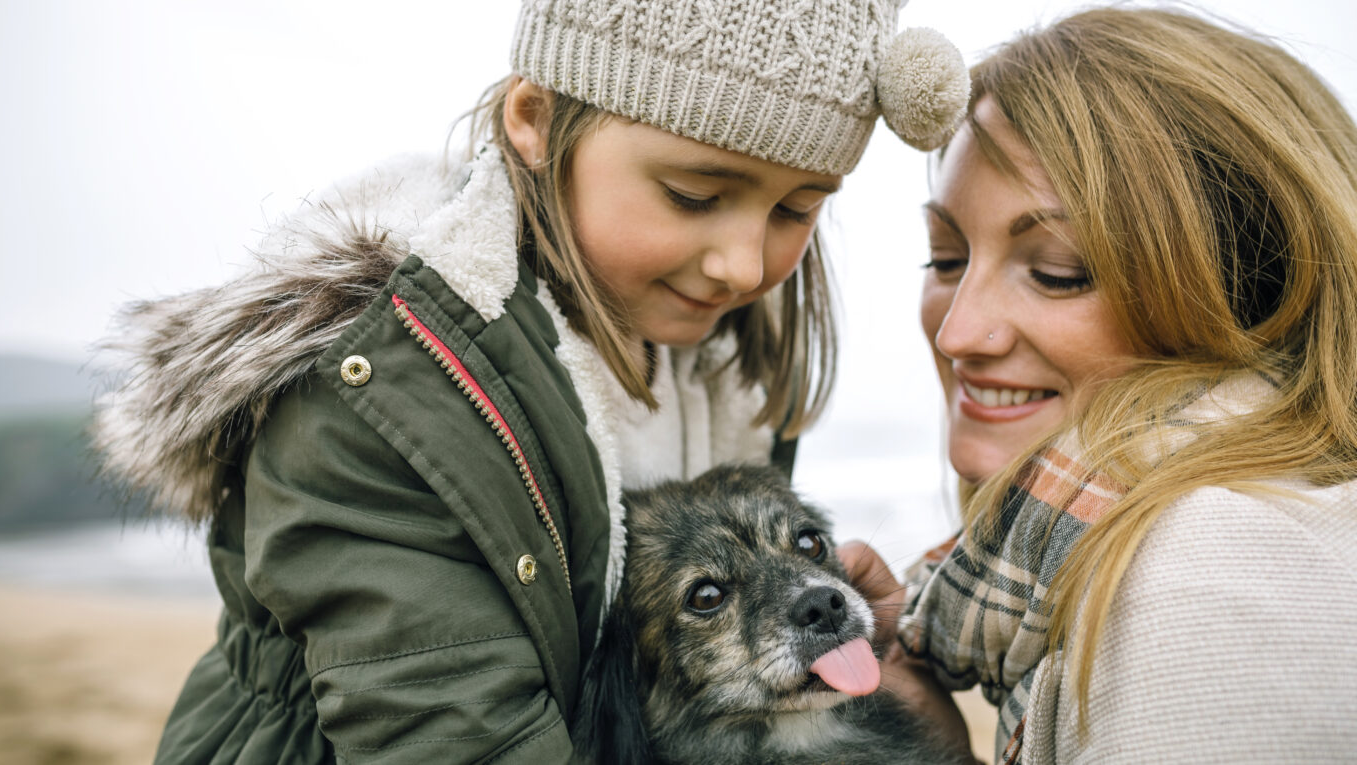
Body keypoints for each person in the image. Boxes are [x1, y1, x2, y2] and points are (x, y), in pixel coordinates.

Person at [92, 1, 968, 762]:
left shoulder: (719, 357)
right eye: (695, 196)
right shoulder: (383, 397)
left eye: (795, 209)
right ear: (536, 118)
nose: (744, 265)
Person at [886, 6, 1357, 763]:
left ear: (1249, 295)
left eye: (1057, 271)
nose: (958, 334)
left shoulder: (1206, 576)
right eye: (946, 258)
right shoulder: (1114, 544)